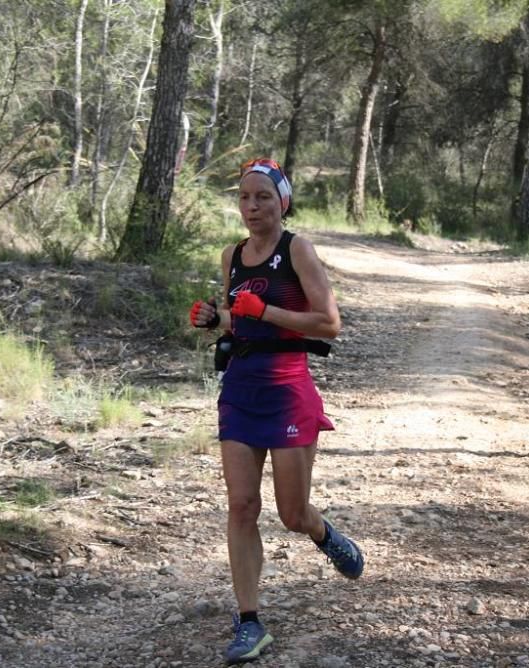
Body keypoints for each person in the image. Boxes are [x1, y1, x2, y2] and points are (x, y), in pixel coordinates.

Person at [189, 158, 364, 665]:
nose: (252, 207)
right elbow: (236, 323)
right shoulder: (233, 256)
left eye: (263, 197)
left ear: (281, 202)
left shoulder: (297, 250)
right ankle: (249, 621)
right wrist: (215, 318)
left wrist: (266, 312)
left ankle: (324, 533)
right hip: (241, 389)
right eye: (244, 197)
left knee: (292, 514)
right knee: (242, 506)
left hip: (288, 389)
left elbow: (328, 323)